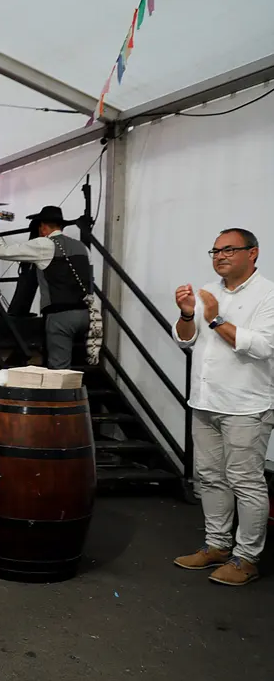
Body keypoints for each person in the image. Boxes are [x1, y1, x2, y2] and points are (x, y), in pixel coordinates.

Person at [172, 228, 274, 587]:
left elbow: (263, 347)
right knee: (210, 477)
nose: (220, 256)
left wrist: (215, 319)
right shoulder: (207, 292)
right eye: (215, 251)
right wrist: (188, 315)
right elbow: (185, 341)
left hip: (246, 405)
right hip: (205, 402)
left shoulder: (268, 295)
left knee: (246, 481)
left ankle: (246, 558)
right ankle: (217, 545)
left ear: (253, 253)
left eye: (229, 250)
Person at [0, 205, 90, 369]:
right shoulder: (81, 247)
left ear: (43, 227)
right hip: (84, 313)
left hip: (60, 316)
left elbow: (2, 251)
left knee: (59, 370)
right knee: (78, 364)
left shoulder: (45, 245)